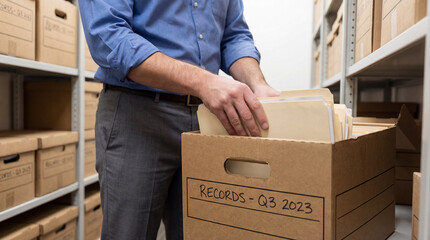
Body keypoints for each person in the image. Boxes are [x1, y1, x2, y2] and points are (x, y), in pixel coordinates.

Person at [79, 0, 279, 239]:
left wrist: (258, 84)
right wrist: (203, 82)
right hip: (137, 116)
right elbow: (107, 35)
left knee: (200, 232)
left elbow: (234, 36)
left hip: (206, 121)